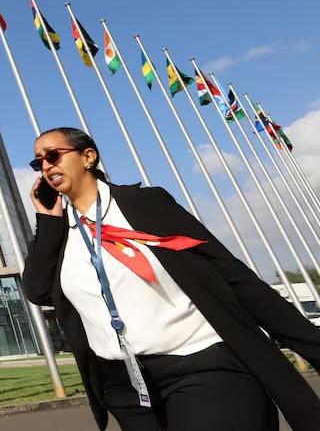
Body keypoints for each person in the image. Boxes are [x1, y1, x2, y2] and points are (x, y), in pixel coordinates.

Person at [21, 126, 320, 430]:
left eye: (53, 155)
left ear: (88, 157)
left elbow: (230, 274)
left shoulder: (146, 204)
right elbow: (37, 291)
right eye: (38, 162)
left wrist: (312, 345)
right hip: (127, 389)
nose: (45, 165)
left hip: (200, 364)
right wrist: (47, 222)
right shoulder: (61, 233)